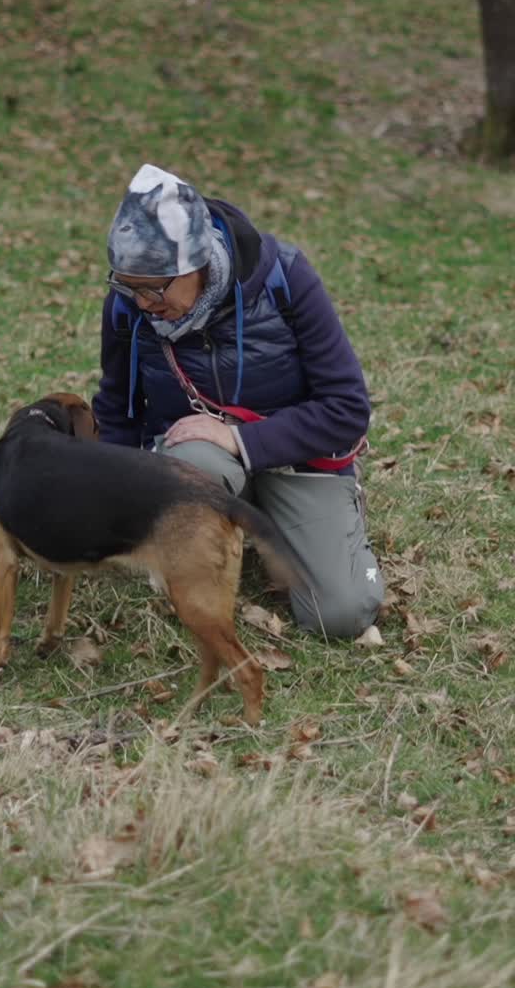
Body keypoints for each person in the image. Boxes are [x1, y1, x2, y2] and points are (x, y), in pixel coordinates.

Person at [92, 163, 384, 638]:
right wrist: (113, 502)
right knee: (194, 460)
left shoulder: (285, 278)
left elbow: (347, 409)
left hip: (300, 463)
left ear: (198, 261)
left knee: (341, 616)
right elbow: (118, 405)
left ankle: (314, 527)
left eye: (154, 287)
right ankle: (209, 532)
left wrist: (238, 438)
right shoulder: (129, 307)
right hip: (199, 463)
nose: (143, 303)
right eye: (128, 285)